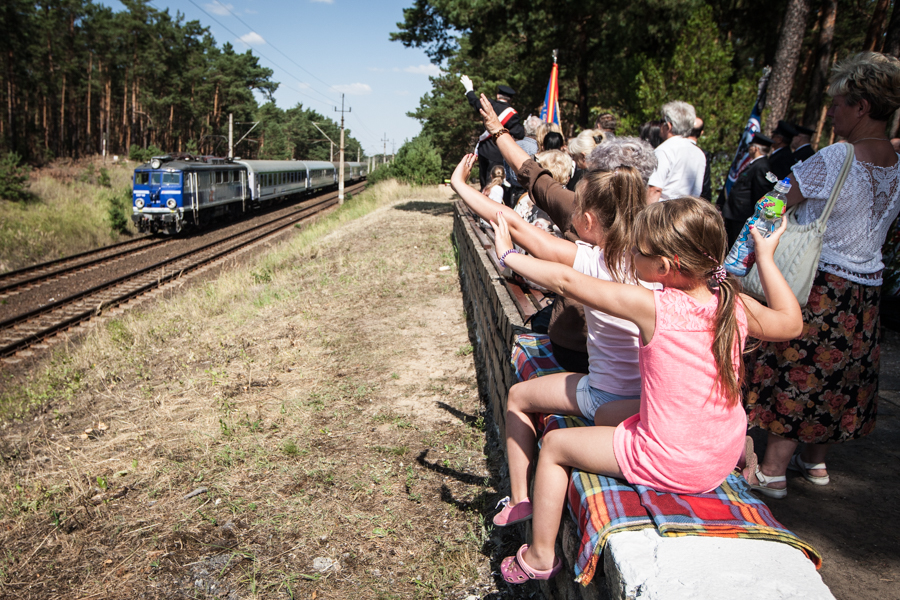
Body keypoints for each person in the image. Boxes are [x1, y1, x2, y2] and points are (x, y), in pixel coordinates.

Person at [488, 197, 802, 583]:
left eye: (638, 249)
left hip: (675, 462)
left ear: (664, 267)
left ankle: (539, 557)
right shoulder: (733, 303)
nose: (631, 253)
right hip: (720, 453)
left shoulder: (653, 306)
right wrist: (765, 256)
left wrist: (509, 256)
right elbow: (791, 323)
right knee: (607, 414)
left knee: (555, 446)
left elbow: (568, 282)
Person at [450, 153, 652, 524]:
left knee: (519, 396)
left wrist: (459, 185)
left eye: (577, 212)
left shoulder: (589, 260)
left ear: (587, 221)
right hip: (648, 400)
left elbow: (509, 221)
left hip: (604, 397)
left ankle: (519, 499)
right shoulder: (654, 264)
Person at [746, 52, 900, 499]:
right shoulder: (896, 163)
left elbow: (776, 200)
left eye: (838, 104)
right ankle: (814, 461)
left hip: (817, 283)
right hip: (865, 289)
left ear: (862, 106)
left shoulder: (836, 157)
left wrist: (752, 243)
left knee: (799, 369)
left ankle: (772, 471)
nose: (831, 113)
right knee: (840, 373)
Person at [460, 75, 525, 189]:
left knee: (484, 184)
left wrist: (469, 90)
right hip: (498, 152)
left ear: (497, 95)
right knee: (496, 185)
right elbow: (520, 134)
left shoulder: (489, 105)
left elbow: (474, 102)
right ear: (510, 99)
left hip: (484, 150)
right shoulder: (512, 114)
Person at [719, 135, 776, 247]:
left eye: (750, 147)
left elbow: (760, 192)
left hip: (742, 214)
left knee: (735, 243)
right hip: (736, 213)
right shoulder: (754, 164)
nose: (748, 149)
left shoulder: (761, 166)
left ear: (756, 149)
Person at [647, 101, 707, 202]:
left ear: (669, 125)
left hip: (663, 208)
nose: (659, 125)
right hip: (688, 209)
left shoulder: (664, 150)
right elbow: (697, 191)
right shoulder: (699, 153)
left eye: (661, 121)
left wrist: (647, 211)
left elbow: (654, 189)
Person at [687, 117, 713, 201]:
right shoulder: (702, 154)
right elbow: (705, 185)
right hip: (691, 202)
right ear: (701, 133)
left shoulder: (672, 149)